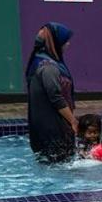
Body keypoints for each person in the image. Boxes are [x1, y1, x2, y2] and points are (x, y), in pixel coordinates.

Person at [25, 22, 77, 162]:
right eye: (65, 41)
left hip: (42, 129)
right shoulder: (49, 67)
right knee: (60, 164)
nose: (68, 44)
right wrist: (73, 121)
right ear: (56, 43)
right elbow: (56, 98)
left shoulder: (39, 61)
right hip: (53, 129)